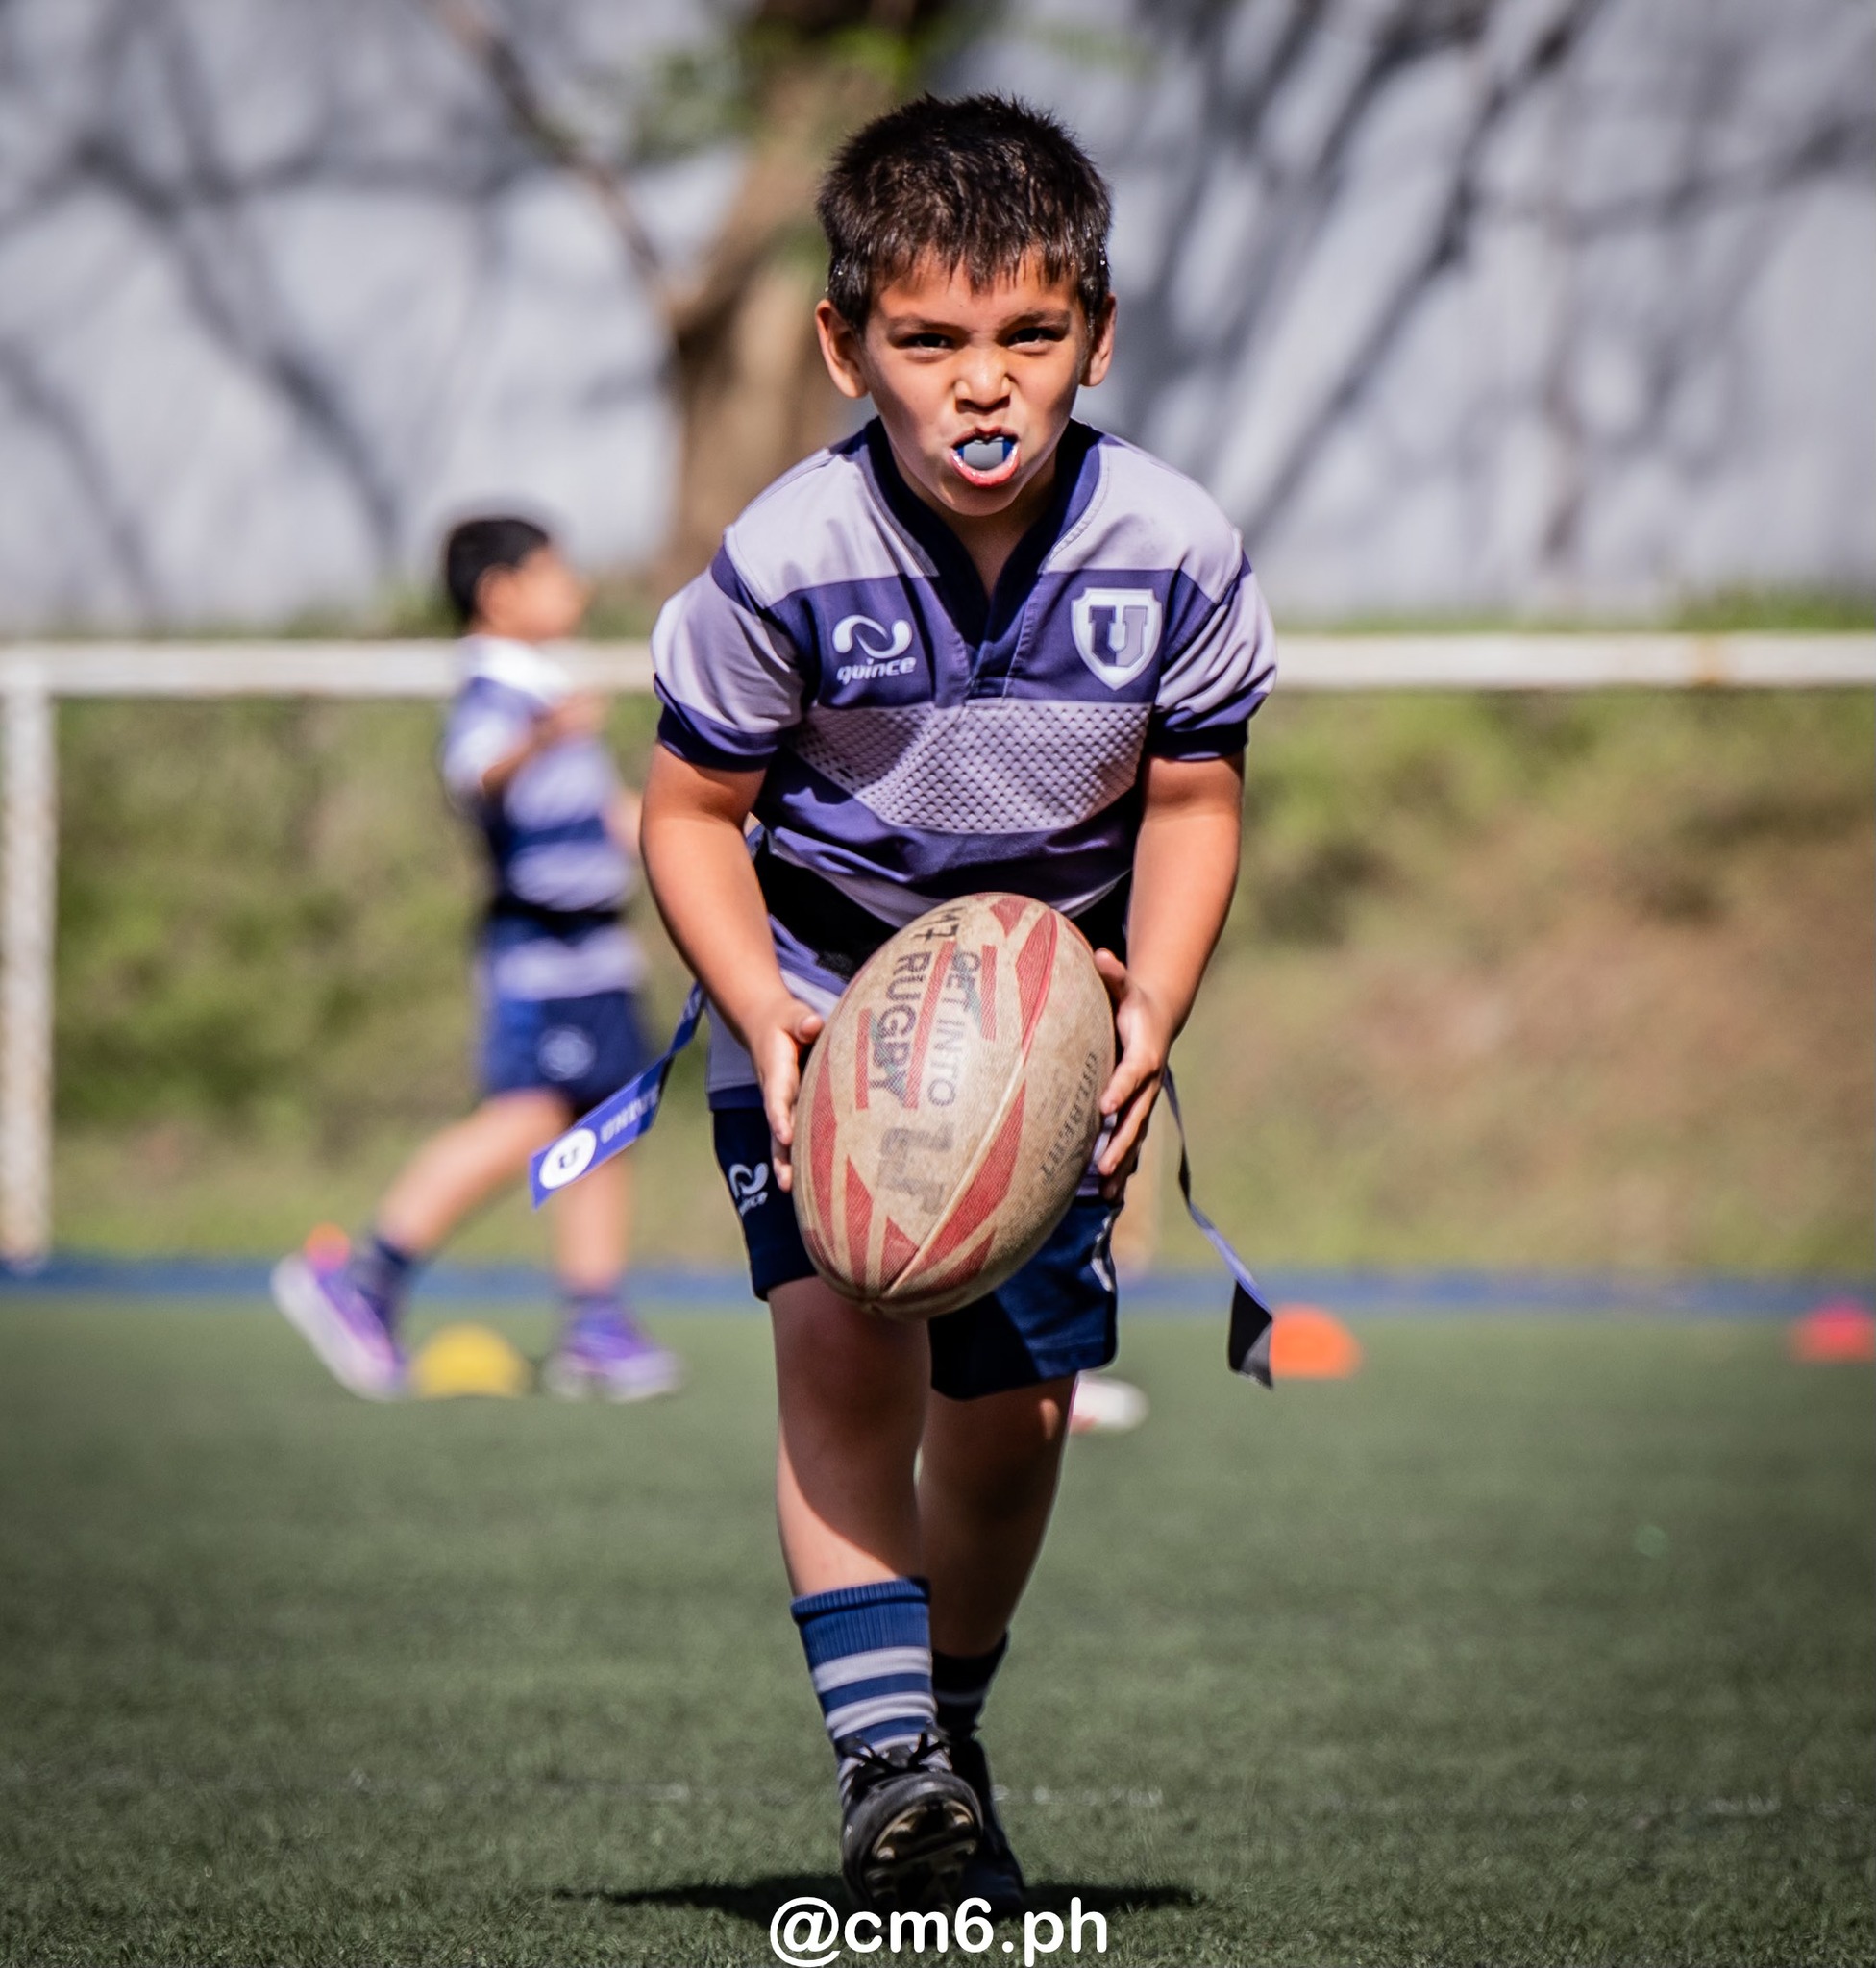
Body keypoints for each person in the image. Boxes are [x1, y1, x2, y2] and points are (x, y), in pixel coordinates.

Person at [640, 95, 1274, 1912]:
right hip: (828, 1007)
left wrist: (1145, 1009)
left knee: (1013, 1416)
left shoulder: (1171, 544)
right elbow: (687, 810)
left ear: (1095, 332)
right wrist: (763, 1011)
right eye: (927, 341)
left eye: (1027, 337)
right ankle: (886, 1761)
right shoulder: (784, 557)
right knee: (845, 1344)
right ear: (847, 346)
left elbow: (1189, 795)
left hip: (1048, 1042)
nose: (981, 385)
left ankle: (950, 1729)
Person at [271, 516, 682, 1405]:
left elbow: (595, 813)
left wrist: (688, 836)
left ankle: (595, 1324)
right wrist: (539, 737)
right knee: (529, 1117)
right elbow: (474, 772)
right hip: (541, 952)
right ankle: (365, 1279)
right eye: (555, 573)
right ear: (500, 592)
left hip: (596, 950)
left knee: (603, 1124)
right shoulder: (497, 691)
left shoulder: (542, 688)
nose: (574, 589)